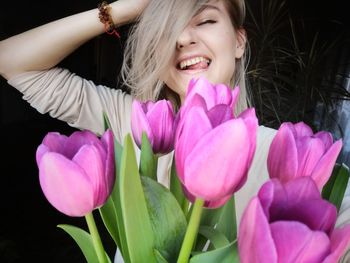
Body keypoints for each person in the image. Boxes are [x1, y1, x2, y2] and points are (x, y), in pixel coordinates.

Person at [0, 0, 349, 262]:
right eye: (166, 31)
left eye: (206, 20)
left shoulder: (293, 162)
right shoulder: (133, 125)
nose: (183, 38)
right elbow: (12, 62)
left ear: (240, 41)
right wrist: (119, 10)